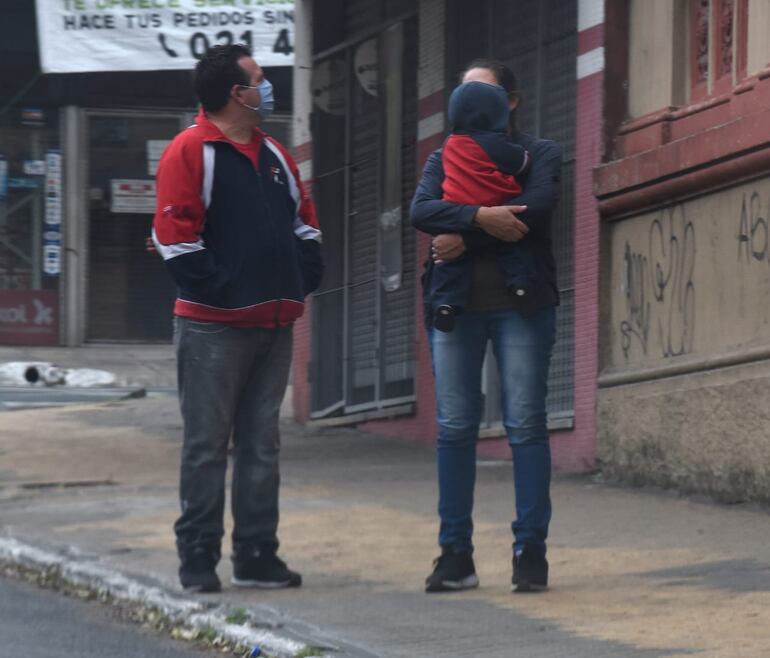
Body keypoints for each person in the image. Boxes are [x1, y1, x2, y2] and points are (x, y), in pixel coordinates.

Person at [151, 44, 323, 593]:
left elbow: (305, 222)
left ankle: (256, 553)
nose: (267, 86)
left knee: (262, 443)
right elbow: (175, 242)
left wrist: (303, 276)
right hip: (213, 328)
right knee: (207, 445)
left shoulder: (275, 154)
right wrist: (227, 292)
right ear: (236, 92)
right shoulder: (190, 150)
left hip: (274, 323)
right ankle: (198, 557)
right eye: (259, 79)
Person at [411, 58, 561, 593]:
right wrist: (480, 218)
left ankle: (530, 552)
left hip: (522, 306)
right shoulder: (442, 158)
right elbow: (422, 210)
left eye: (485, 92)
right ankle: (455, 554)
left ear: (509, 101)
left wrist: (465, 235)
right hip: (456, 305)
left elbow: (536, 210)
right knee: (454, 427)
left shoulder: (538, 154)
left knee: (525, 423)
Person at [432, 79, 531, 333]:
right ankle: (519, 286)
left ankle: (445, 305)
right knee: (513, 250)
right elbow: (521, 163)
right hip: (496, 204)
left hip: (456, 209)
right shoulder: (492, 143)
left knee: (448, 264)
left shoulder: (449, 145)